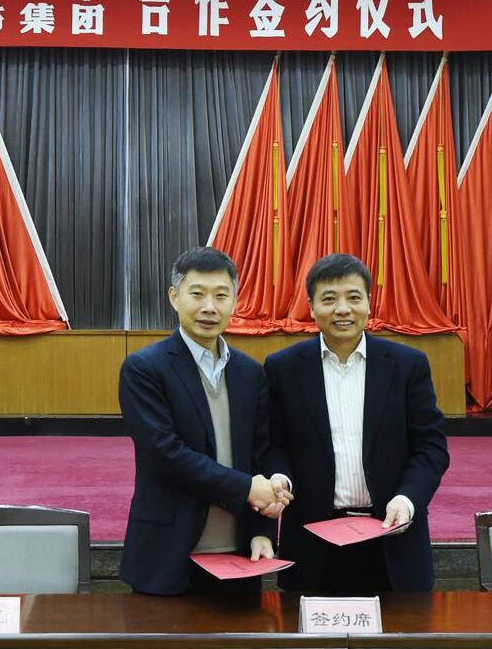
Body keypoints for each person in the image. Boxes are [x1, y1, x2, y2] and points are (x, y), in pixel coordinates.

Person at [263, 253, 450, 593]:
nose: (342, 309)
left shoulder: (407, 365)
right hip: (313, 543)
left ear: (369, 302)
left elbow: (431, 447)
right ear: (311, 306)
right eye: (329, 299)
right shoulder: (283, 368)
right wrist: (280, 478)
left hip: (393, 537)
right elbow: (273, 444)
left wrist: (407, 500)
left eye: (353, 297)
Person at [118, 246, 290, 595]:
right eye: (197, 294)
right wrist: (246, 489)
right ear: (174, 297)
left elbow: (260, 454)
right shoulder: (144, 369)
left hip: (241, 557)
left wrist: (262, 529)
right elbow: (164, 453)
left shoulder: (250, 373)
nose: (209, 307)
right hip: (167, 555)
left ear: (235, 302)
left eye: (221, 295)